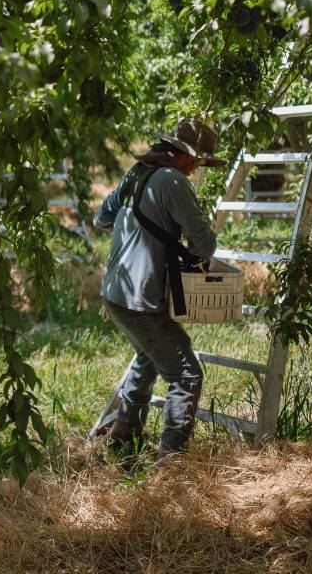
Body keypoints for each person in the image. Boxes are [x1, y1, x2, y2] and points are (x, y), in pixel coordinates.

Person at [92, 118, 227, 460]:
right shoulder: (173, 181)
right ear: (182, 154)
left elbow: (102, 219)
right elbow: (205, 243)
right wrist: (187, 259)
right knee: (186, 373)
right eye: (197, 159)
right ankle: (171, 462)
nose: (198, 166)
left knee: (147, 357)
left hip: (116, 292)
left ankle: (124, 440)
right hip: (141, 297)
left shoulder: (137, 173)